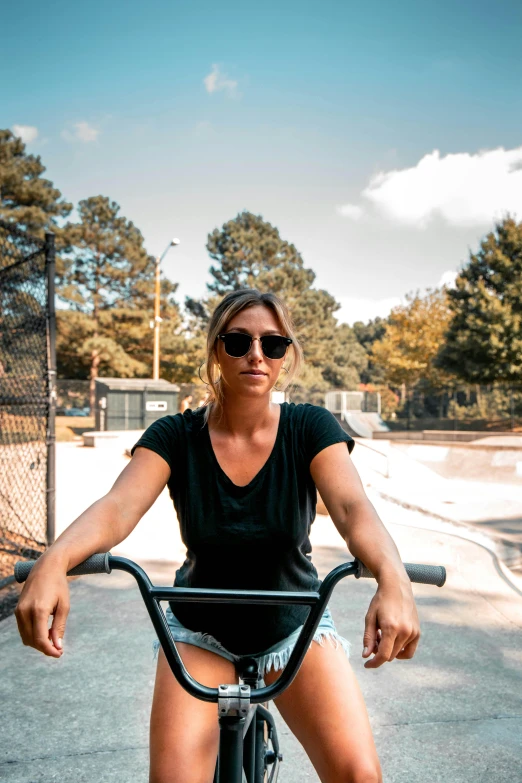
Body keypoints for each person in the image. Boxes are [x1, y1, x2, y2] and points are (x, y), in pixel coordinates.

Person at [15, 289, 420, 783]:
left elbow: (354, 509)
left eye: (273, 344)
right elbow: (117, 508)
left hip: (293, 624)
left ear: (284, 357)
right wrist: (53, 562)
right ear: (215, 351)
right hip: (199, 631)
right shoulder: (174, 435)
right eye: (238, 341)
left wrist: (392, 578)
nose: (256, 354)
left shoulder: (310, 427)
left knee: (360, 776)